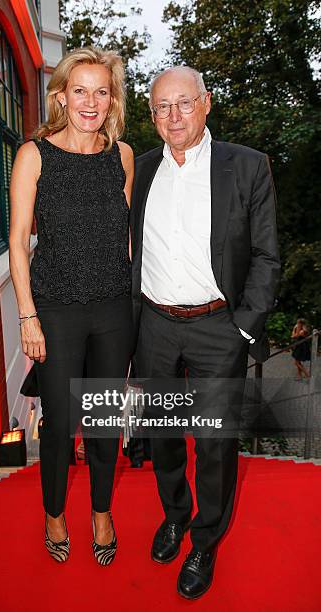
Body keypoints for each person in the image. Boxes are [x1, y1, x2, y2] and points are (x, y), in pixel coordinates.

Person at [130, 66, 280, 598]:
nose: (173, 116)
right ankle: (175, 514)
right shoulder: (140, 169)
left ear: (206, 103)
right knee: (164, 436)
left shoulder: (246, 166)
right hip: (155, 326)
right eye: (161, 107)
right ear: (151, 115)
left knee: (215, 444)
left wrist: (245, 327)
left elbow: (266, 255)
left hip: (220, 327)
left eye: (183, 103)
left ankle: (204, 541)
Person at [9, 47, 134, 565]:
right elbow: (18, 241)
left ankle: (101, 511)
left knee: (106, 422)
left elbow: (125, 239)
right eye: (79, 90)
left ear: (112, 100)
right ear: (61, 95)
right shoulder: (34, 154)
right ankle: (54, 511)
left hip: (113, 311)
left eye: (100, 91)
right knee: (59, 424)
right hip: (55, 310)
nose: (90, 101)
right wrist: (28, 315)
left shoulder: (122, 155)